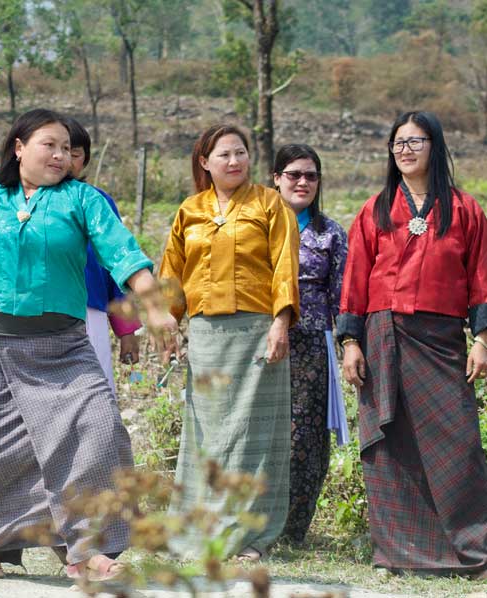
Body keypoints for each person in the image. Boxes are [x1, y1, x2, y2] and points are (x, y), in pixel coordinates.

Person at [0, 51, 178, 580]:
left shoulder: (83, 200)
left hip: (62, 346)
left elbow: (123, 252)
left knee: (99, 433)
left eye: (67, 148)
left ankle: (89, 550)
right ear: (19, 148)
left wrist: (154, 304)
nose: (60, 155)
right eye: (48, 145)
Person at [338, 110, 487, 579]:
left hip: (442, 342)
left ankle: (473, 550)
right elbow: (355, 281)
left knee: (460, 443)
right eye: (397, 142)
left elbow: (482, 280)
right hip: (384, 336)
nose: (404, 150)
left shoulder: (465, 209)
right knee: (389, 445)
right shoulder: (376, 208)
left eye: (415, 141)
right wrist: (350, 342)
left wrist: (481, 340)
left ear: (435, 146)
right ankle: (396, 554)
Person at [160, 124, 299, 561]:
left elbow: (284, 266)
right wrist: (167, 324)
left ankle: (250, 536)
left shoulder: (270, 203)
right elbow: (172, 273)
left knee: (255, 436)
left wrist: (281, 322)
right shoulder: (190, 210)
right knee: (208, 436)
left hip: (259, 334)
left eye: (241, 153)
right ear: (205, 162)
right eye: (224, 155)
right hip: (205, 337)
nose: (235, 161)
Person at [272, 144, 348, 545]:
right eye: (293, 174)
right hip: (261, 340)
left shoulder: (330, 233)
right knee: (261, 429)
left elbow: (342, 298)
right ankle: (251, 522)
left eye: (311, 175)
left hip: (310, 346)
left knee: (304, 435)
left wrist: (350, 344)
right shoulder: (256, 226)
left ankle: (291, 529)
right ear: (276, 178)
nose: (302, 182)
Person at [67, 117, 141, 391]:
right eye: (55, 149)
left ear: (84, 160)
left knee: (92, 394)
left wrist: (127, 330)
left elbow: (116, 268)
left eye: (74, 154)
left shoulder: (97, 202)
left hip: (90, 313)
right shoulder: (21, 202)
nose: (64, 159)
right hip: (36, 317)